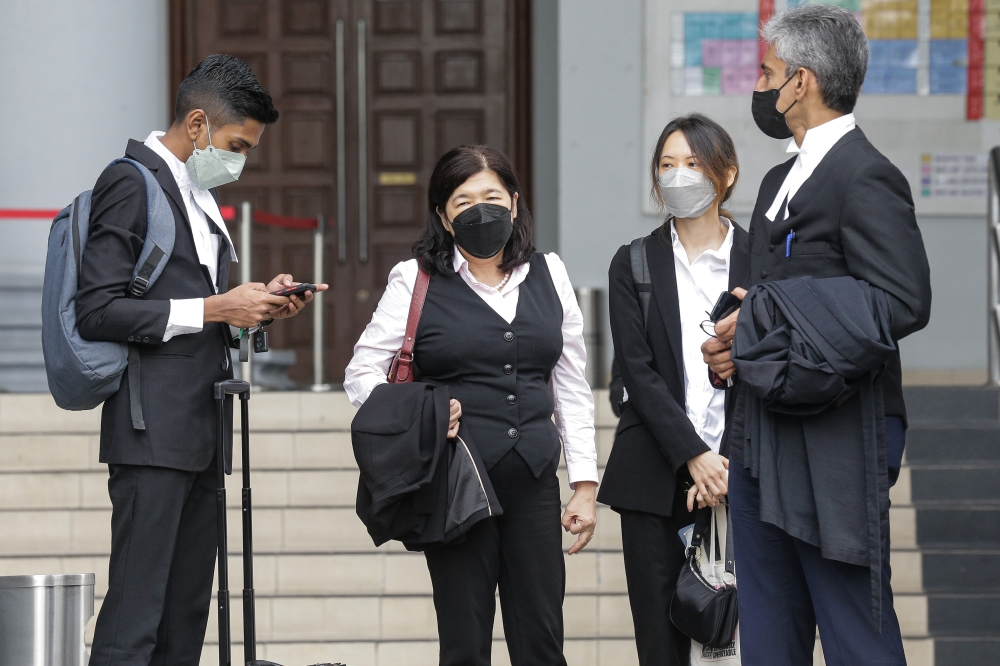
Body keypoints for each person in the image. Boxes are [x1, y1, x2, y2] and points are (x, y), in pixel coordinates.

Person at [77, 54, 327, 665]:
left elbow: (198, 303)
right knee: (136, 613)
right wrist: (218, 308)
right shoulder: (129, 182)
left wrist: (258, 305)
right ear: (196, 125)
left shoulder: (197, 194)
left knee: (186, 613)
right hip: (149, 430)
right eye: (235, 144)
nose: (240, 160)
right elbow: (98, 310)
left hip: (201, 428)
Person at [702, 6, 931, 666]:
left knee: (855, 633)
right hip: (759, 429)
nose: (761, 86)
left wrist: (771, 312)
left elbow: (903, 300)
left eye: (768, 72)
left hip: (836, 434)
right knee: (769, 635)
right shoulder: (779, 178)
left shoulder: (866, 175)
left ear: (801, 82)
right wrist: (734, 344)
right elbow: (765, 300)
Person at [344, 145, 598, 666]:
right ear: (443, 214)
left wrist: (585, 485)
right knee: (464, 643)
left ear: (514, 202)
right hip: (457, 483)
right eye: (462, 201)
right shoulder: (414, 279)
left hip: (533, 480)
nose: (479, 210)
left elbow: (571, 385)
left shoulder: (550, 273)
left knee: (543, 641)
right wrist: (421, 411)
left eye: (491, 196)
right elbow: (361, 373)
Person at [598, 114, 749, 666]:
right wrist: (694, 456)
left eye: (693, 163)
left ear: (725, 173)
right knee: (660, 643)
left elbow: (771, 370)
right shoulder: (632, 262)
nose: (678, 175)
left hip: (745, 473)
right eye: (667, 165)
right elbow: (638, 373)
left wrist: (723, 460)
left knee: (747, 637)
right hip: (652, 478)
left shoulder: (762, 262)